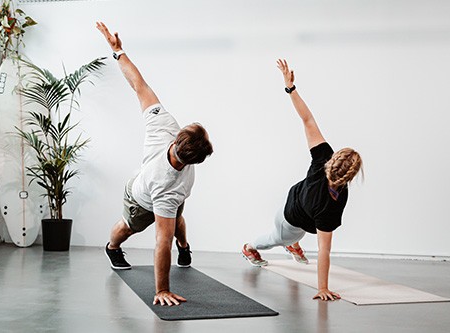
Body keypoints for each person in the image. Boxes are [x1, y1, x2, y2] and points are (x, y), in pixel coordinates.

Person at [96, 22, 213, 307]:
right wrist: (162, 289)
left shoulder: (165, 127)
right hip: (141, 199)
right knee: (128, 228)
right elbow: (160, 241)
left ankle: (184, 246)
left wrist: (118, 50)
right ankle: (112, 249)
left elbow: (140, 85)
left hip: (170, 196)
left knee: (176, 221)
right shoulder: (167, 187)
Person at [242, 59, 363, 302]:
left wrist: (290, 88)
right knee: (274, 239)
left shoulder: (323, 157)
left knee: (294, 235)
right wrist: (322, 288)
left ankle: (292, 245)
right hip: (289, 221)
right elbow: (324, 251)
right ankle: (249, 247)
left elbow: (307, 120)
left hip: (293, 201)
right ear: (350, 177)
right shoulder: (333, 203)